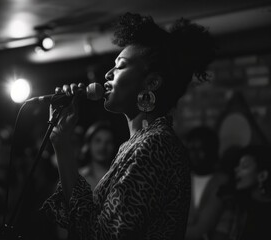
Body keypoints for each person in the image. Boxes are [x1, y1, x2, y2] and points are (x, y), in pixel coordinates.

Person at [41, 12, 216, 240]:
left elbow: (103, 235)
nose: (108, 74)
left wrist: (63, 148)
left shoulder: (155, 146)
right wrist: (61, 142)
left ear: (151, 82)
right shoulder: (140, 143)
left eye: (121, 66)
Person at [211, 145, 271, 240]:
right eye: (238, 165)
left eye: (244, 166)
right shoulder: (232, 202)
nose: (236, 169)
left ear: (262, 175)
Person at [184, 126, 229, 240]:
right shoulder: (181, 179)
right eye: (191, 149)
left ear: (211, 150)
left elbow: (201, 230)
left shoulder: (222, 182)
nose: (194, 155)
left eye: (200, 149)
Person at [78, 121, 117, 191]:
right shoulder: (78, 177)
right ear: (89, 143)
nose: (103, 147)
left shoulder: (119, 177)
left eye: (108, 142)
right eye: (98, 140)